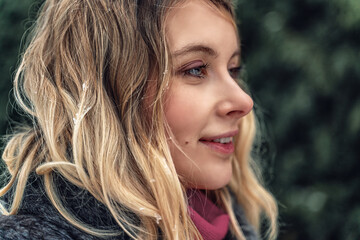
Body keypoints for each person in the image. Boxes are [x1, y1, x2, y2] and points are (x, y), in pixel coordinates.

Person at [0, 0, 278, 239]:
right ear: (109, 91)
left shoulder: (230, 225)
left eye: (233, 69)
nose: (244, 101)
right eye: (196, 70)